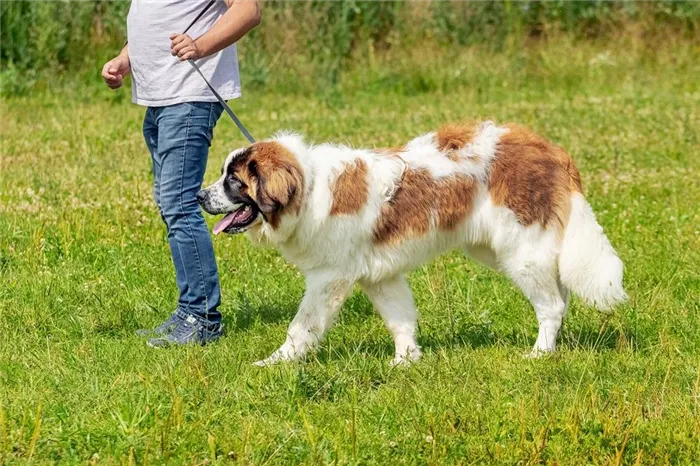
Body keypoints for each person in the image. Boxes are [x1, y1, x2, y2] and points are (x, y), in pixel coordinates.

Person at [101, 0, 261, 347]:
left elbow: (248, 10)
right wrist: (124, 59)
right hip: (160, 100)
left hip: (189, 97)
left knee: (179, 205)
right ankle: (189, 311)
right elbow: (157, 23)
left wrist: (200, 46)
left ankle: (203, 318)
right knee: (170, 204)